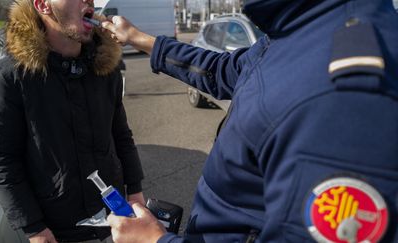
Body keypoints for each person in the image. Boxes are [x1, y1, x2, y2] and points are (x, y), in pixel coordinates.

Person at [101, 0, 398, 242]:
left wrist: (155, 241)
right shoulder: (302, 27)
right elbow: (224, 70)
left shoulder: (344, 91)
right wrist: (137, 38)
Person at [0, 0, 145, 242]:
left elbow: (121, 134)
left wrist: (135, 190)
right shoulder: (9, 78)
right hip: (57, 232)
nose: (89, 1)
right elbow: (0, 159)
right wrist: (34, 228)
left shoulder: (105, 71)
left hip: (117, 219)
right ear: (43, 5)